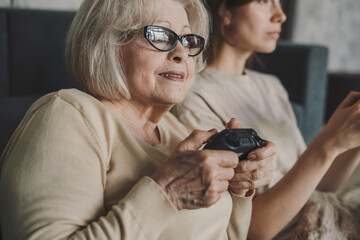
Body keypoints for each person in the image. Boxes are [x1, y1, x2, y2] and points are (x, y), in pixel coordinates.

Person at [0, 0, 278, 239]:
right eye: (159, 35)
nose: (181, 53)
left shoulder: (178, 131)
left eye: (187, 39)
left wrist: (239, 189)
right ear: (107, 41)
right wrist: (166, 194)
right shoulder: (66, 116)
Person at [172, 0, 360, 239]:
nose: (281, 15)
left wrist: (351, 139)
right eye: (263, 1)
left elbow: (318, 189)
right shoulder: (192, 96)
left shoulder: (271, 87)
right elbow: (249, 229)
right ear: (225, 12)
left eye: (280, 3)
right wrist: (327, 144)